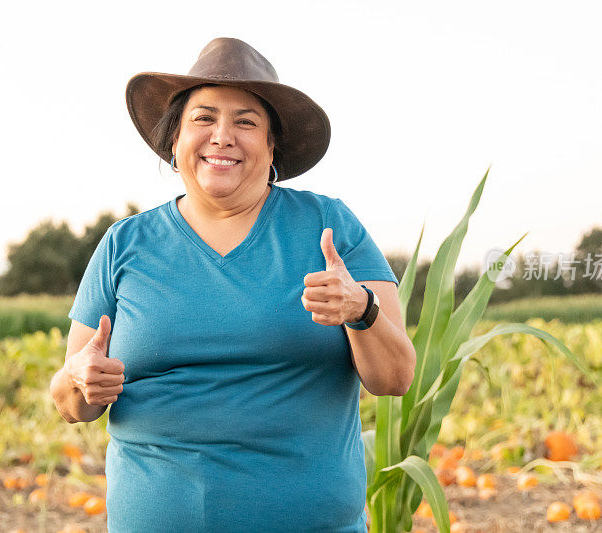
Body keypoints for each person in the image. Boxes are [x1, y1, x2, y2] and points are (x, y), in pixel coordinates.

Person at [50, 37, 416, 532]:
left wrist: (361, 309)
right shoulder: (125, 244)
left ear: (271, 148)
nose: (222, 136)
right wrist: (79, 381)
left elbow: (395, 378)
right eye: (203, 118)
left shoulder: (328, 226)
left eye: (246, 121)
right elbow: (71, 401)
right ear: (174, 141)